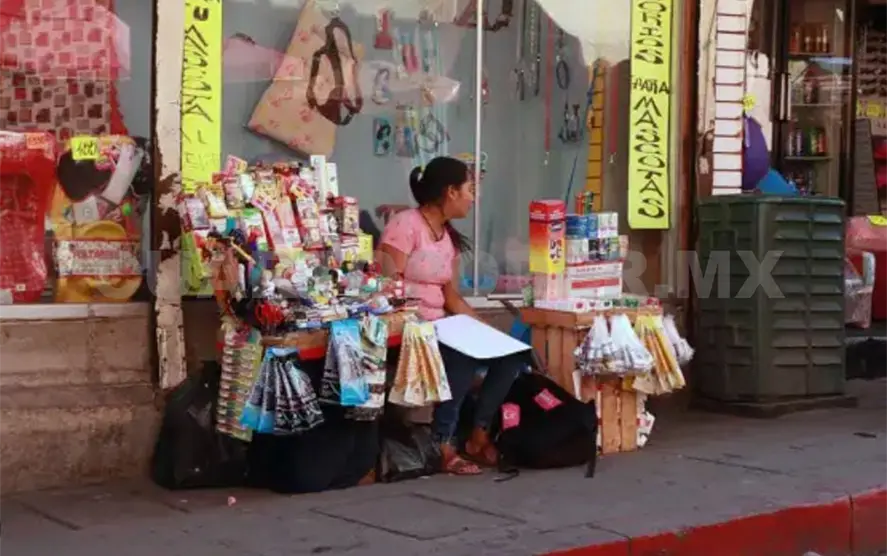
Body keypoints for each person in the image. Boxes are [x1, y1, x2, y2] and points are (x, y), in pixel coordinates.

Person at [378, 156, 524, 475]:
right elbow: (387, 286)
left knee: (511, 355)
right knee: (460, 357)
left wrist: (483, 327)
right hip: (409, 328)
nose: (473, 198)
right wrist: (421, 323)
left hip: (442, 325)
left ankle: (479, 433)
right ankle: (443, 443)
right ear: (451, 192)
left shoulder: (449, 238)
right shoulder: (404, 225)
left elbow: (451, 296)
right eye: (470, 189)